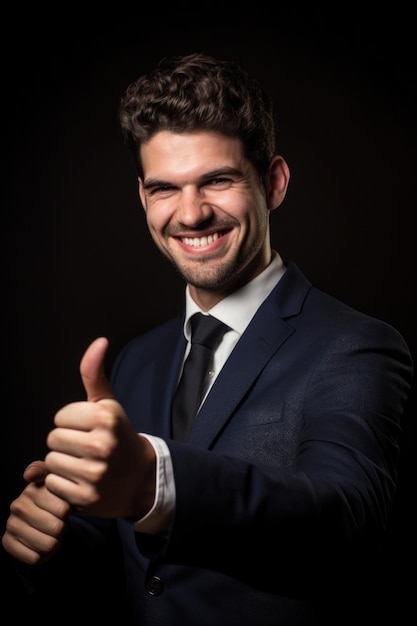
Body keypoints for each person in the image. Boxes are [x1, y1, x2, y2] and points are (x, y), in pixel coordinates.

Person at [2, 52, 413, 625]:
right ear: (144, 198)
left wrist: (154, 479)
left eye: (217, 181)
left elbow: (346, 519)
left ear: (273, 183)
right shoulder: (138, 360)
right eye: (166, 188)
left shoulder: (357, 347)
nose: (191, 214)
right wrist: (48, 541)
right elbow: (136, 576)